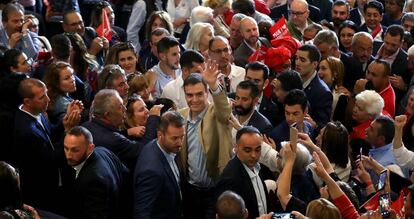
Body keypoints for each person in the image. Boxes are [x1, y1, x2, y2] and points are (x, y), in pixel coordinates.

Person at [13, 78, 81, 212]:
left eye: (47, 94)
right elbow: (50, 158)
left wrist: (64, 121)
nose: (48, 99)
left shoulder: (37, 112)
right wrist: (67, 131)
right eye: (42, 97)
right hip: (43, 188)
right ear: (27, 101)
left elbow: (50, 133)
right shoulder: (25, 130)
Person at [177, 62, 233, 218]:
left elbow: (224, 110)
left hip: (215, 190)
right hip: (190, 191)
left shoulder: (216, 113)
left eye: (199, 94)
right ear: (184, 93)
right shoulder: (180, 115)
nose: (194, 99)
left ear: (207, 93)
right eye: (189, 95)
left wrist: (214, 85)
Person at [64, 126, 130, 219]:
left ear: (90, 148)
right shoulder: (103, 151)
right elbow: (126, 173)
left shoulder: (94, 180)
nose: (68, 155)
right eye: (66, 148)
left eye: (75, 150)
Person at [81, 89, 154, 171]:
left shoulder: (85, 126)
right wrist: (154, 118)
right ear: (107, 115)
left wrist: (127, 132)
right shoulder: (112, 139)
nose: (124, 109)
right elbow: (143, 150)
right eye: (120, 107)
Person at [134, 111, 185, 219]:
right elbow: (142, 212)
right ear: (160, 135)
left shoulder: (158, 145)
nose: (180, 143)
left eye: (182, 137)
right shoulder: (151, 171)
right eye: (175, 138)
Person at [215, 126, 271, 219]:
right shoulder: (230, 179)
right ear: (236, 147)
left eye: (257, 150)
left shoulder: (256, 166)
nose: (253, 155)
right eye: (247, 150)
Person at [295, 44, 332, 133]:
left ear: (314, 64)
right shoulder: (293, 79)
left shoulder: (323, 92)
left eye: (302, 60)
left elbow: (323, 125)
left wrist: (314, 124)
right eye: (296, 58)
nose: (297, 63)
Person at [375, 25, 409, 104]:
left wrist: (404, 87)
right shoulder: (373, 46)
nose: (388, 48)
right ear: (383, 38)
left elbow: (408, 89)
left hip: (387, 102)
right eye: (386, 43)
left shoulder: (406, 61)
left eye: (393, 45)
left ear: (401, 43)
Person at [318, 56, 348, 122]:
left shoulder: (341, 98)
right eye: (319, 68)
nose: (319, 72)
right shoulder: (316, 90)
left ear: (335, 74)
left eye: (323, 69)